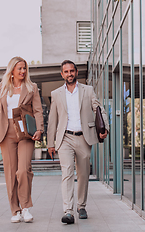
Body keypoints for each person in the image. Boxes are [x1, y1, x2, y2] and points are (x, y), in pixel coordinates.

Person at [0, 56, 44, 223]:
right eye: (20, 68)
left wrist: (39, 129)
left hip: (25, 132)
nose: (23, 71)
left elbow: (38, 110)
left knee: (23, 170)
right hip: (6, 131)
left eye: (24, 68)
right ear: (12, 71)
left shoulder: (32, 87)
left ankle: (25, 208)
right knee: (10, 173)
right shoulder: (0, 88)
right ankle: (15, 210)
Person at [47, 60, 109, 225]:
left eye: (71, 71)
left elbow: (98, 109)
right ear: (62, 74)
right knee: (67, 173)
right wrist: (50, 143)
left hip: (84, 137)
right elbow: (52, 120)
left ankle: (81, 206)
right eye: (66, 72)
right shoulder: (56, 94)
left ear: (76, 72)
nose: (69, 74)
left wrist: (105, 128)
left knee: (82, 175)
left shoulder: (87, 90)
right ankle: (68, 211)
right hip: (65, 138)